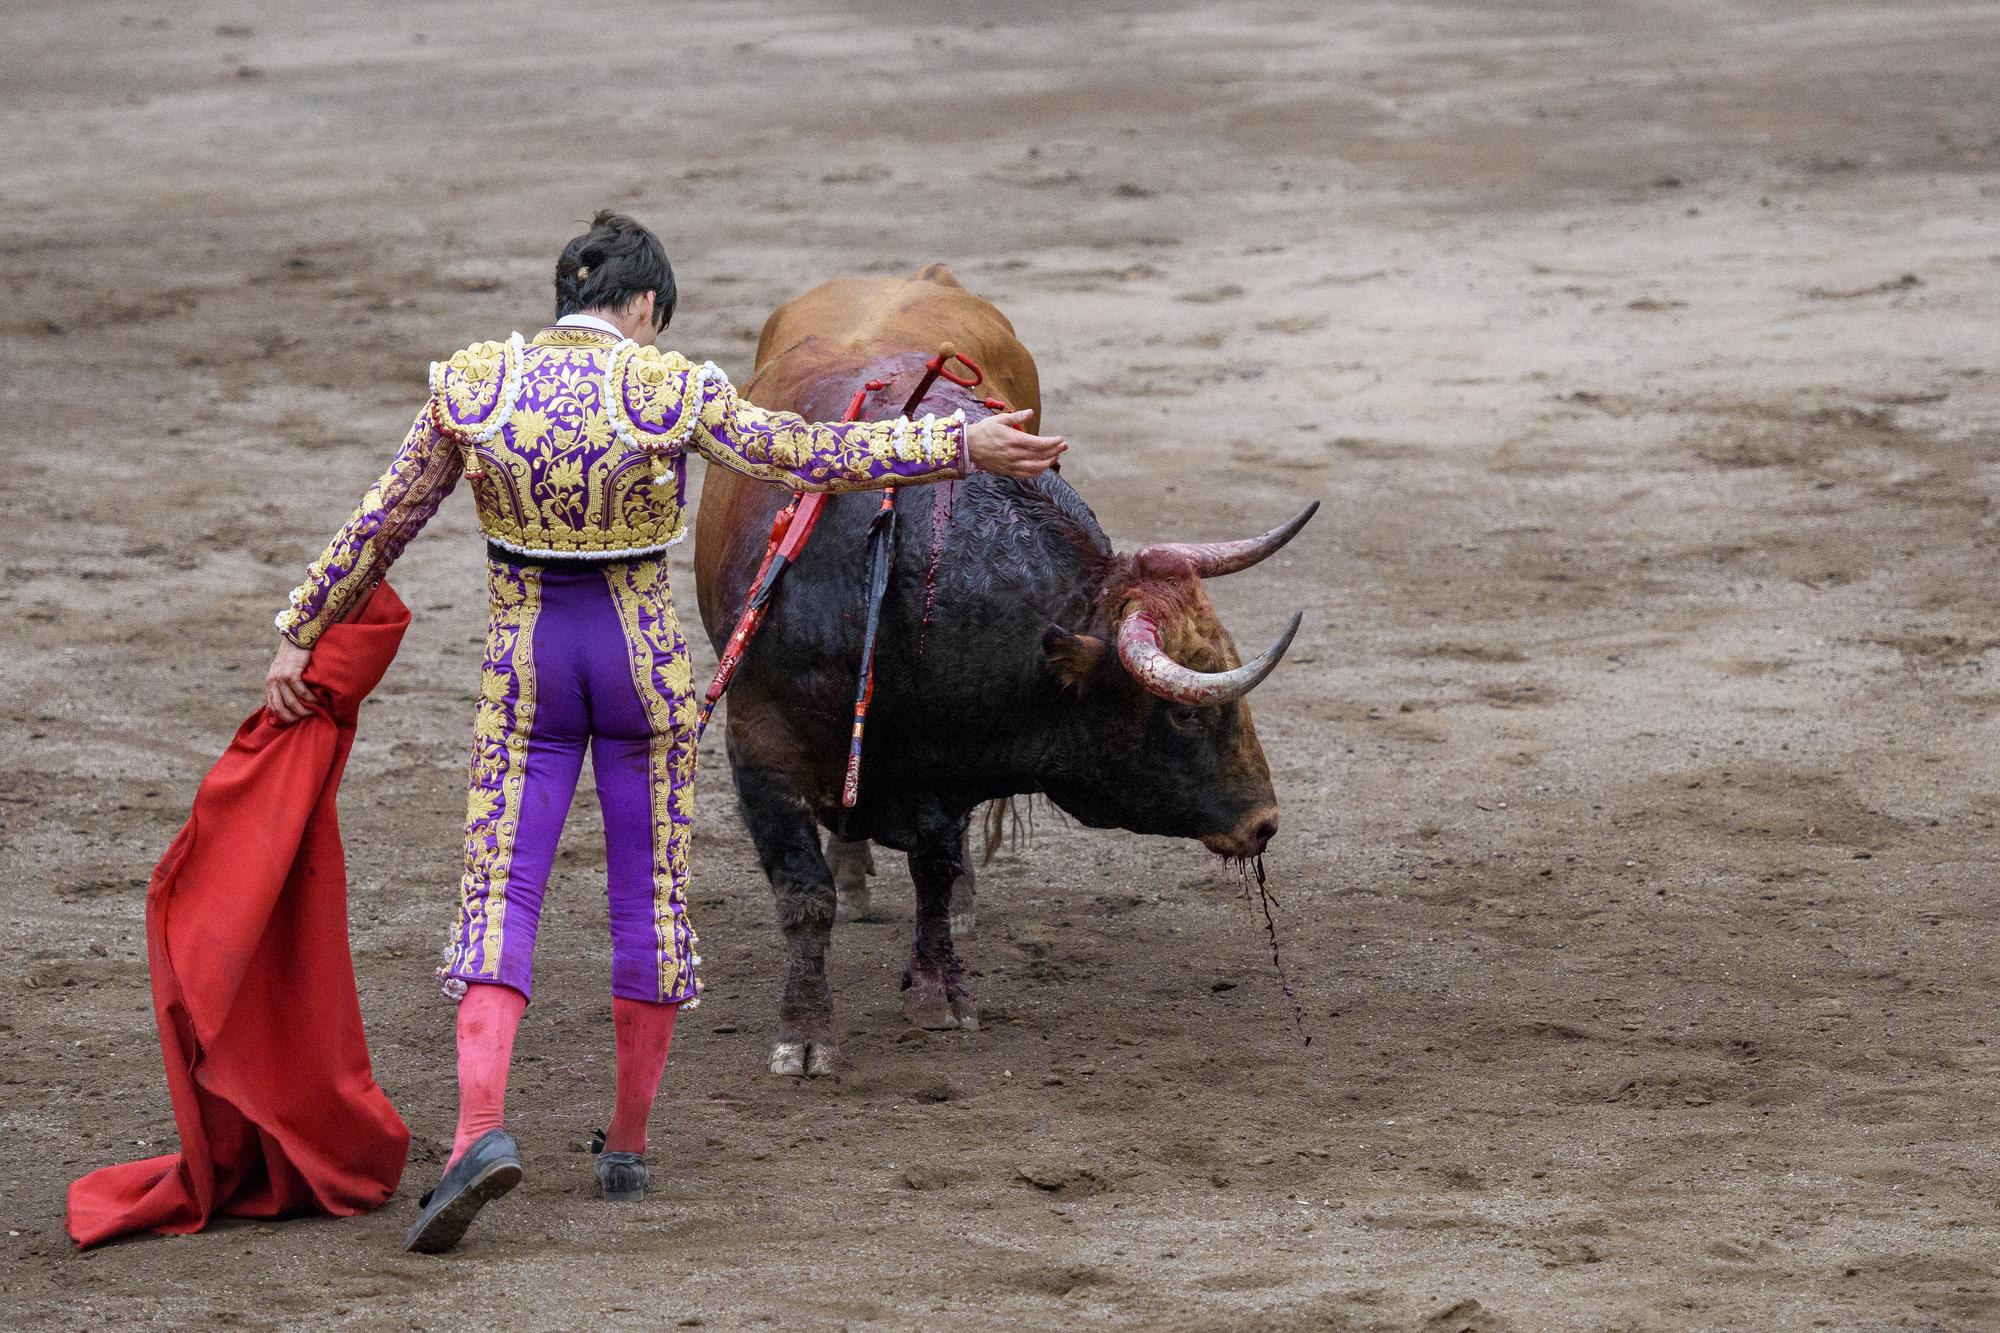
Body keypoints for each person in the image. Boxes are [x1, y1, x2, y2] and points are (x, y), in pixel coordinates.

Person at [264, 211, 1066, 1253]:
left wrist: (301, 629)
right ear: (643, 306)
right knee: (644, 895)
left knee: (502, 890)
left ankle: (476, 1131)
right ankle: (627, 1145)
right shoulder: (664, 385)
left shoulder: (474, 385)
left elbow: (381, 522)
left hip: (530, 666)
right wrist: (958, 439)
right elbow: (811, 453)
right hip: (640, 668)